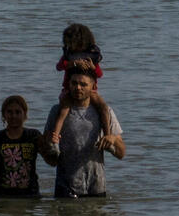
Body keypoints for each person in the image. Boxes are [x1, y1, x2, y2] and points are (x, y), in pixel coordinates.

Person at [40, 60, 125, 198]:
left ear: (93, 86)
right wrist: (50, 144)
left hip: (96, 188)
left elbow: (121, 154)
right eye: (74, 83)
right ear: (68, 84)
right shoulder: (57, 111)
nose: (78, 88)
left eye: (83, 84)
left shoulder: (105, 112)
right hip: (65, 189)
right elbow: (50, 161)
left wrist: (113, 139)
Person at [50, 23, 111, 144]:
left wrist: (93, 67)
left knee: (103, 107)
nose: (71, 47)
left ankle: (108, 135)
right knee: (63, 109)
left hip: (90, 91)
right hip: (69, 90)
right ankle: (55, 137)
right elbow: (58, 67)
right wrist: (71, 64)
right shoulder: (68, 57)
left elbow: (99, 74)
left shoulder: (91, 56)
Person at [0, 95, 43, 197]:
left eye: (18, 112)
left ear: (25, 114)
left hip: (30, 195)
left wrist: (51, 143)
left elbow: (50, 159)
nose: (13, 116)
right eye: (9, 112)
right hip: (1, 195)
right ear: (3, 115)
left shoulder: (33, 136)